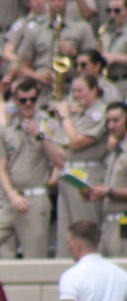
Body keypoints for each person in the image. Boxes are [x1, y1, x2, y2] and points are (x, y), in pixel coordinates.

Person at [0, 77, 67, 258]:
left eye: (33, 99)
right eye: (23, 100)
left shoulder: (48, 124)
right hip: (10, 200)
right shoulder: (7, 128)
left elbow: (61, 161)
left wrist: (41, 136)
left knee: (34, 257)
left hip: (34, 199)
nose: (28, 104)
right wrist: (12, 195)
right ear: (15, 101)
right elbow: (1, 168)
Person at [53, 75, 107, 258]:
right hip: (69, 171)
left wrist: (66, 116)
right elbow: (59, 141)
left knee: (84, 229)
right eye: (73, 91)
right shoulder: (77, 112)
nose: (75, 95)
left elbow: (75, 142)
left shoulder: (100, 111)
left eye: (80, 90)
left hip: (87, 172)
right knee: (65, 231)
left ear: (94, 90)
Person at [83, 102, 127, 255]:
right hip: (107, 222)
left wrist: (107, 191)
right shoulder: (114, 151)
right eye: (108, 121)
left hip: (123, 221)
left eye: (116, 120)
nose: (111, 125)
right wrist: (96, 192)